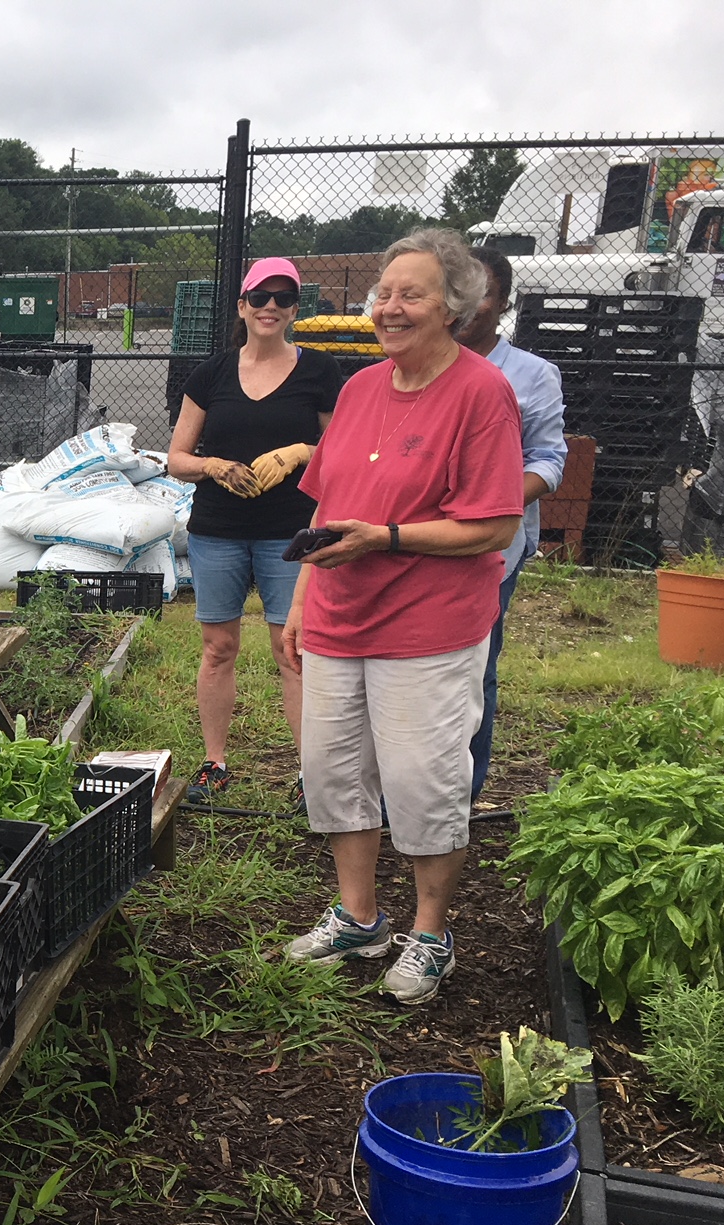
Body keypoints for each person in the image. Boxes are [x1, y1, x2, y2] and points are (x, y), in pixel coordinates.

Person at [278, 229, 526, 1005]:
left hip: (428, 626)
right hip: (338, 616)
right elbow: (324, 505)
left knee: (423, 784)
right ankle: (358, 917)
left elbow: (494, 525)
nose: (389, 307)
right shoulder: (358, 390)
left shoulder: (481, 392)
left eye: (410, 293)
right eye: (382, 294)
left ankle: (429, 934)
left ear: (454, 305)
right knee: (333, 771)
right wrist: (298, 602)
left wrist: (384, 539)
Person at [166, 257, 344, 808]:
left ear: (295, 309)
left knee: (292, 649)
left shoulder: (317, 372)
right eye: (259, 297)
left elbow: (342, 455)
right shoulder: (211, 374)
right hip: (218, 529)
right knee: (218, 648)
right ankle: (215, 763)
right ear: (242, 306)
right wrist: (215, 466)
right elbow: (176, 457)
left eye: (283, 298)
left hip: (287, 533)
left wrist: (298, 453)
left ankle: (306, 774)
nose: (271, 307)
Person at [459, 244, 567, 797]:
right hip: (409, 542)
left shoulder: (532, 375)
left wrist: (490, 500)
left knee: (475, 662)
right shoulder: (408, 367)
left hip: (492, 544)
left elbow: (549, 461)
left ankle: (464, 790)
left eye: (483, 296)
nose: (468, 306)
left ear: (503, 303)